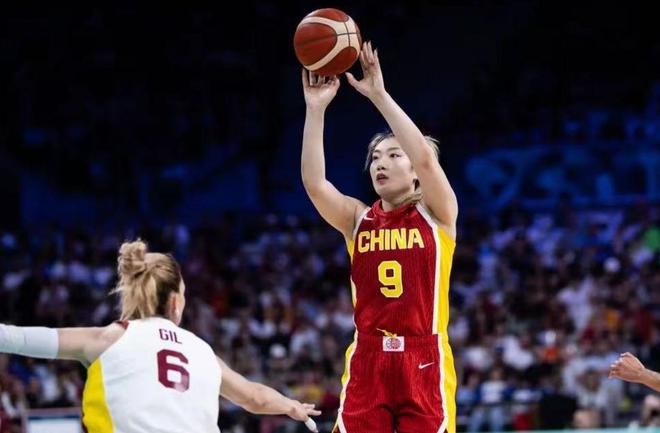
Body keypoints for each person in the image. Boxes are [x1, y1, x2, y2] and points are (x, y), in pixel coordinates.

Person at [301, 40, 459, 433]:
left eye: (393, 155)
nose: (380, 164)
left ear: (415, 172)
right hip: (369, 356)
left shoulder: (437, 215)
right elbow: (315, 184)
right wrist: (315, 110)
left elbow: (426, 158)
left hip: (423, 358)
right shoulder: (357, 219)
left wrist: (379, 95)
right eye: (374, 157)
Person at [0, 240, 320, 433]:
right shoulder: (202, 351)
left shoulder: (108, 338)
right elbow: (254, 398)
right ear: (175, 302)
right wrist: (292, 406)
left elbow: (17, 338)